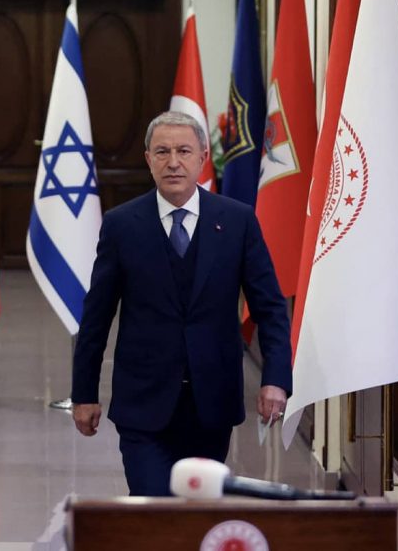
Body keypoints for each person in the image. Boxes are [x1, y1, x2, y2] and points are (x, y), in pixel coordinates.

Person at [71, 111, 292, 497]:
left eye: (184, 151)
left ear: (203, 157)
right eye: (162, 151)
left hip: (212, 404)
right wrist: (84, 393)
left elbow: (270, 307)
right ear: (148, 159)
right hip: (143, 404)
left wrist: (275, 379)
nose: (173, 162)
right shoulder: (122, 225)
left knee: (196, 514)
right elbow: (97, 316)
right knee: (154, 513)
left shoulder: (237, 221)